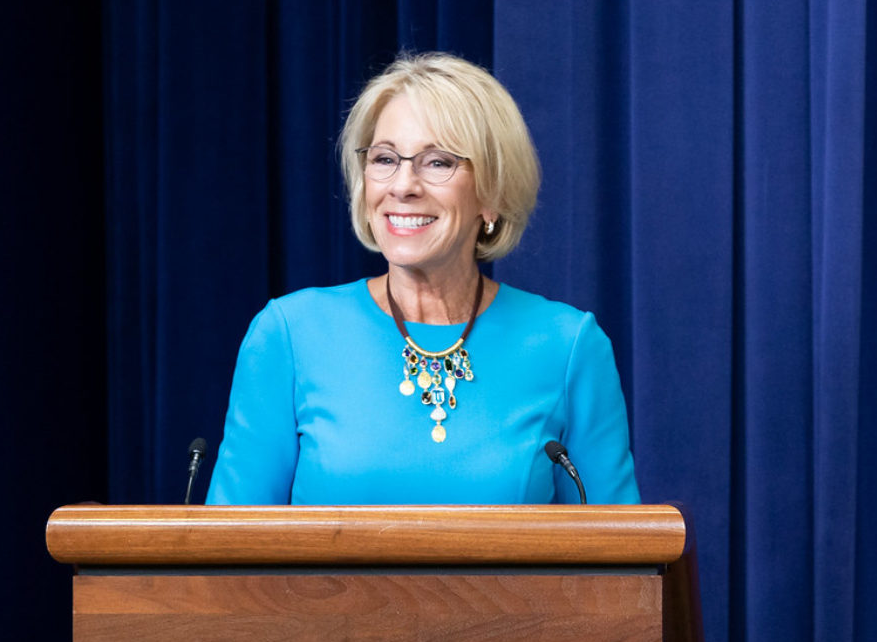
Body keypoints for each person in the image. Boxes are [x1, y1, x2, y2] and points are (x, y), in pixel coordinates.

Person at [206, 53, 640, 505]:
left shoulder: (568, 345)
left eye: (437, 162)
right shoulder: (290, 334)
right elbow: (227, 554)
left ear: (491, 193)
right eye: (386, 158)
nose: (403, 185)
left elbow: (622, 562)